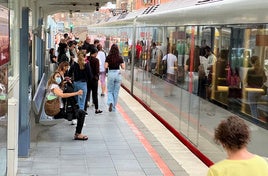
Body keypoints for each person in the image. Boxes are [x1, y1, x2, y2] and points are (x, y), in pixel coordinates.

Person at [46, 71, 88, 140]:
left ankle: (78, 133)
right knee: (81, 113)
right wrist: (76, 93)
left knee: (79, 112)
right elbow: (62, 95)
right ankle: (78, 134)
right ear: (53, 77)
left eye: (60, 77)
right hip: (56, 112)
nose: (59, 78)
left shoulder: (55, 86)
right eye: (57, 76)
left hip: (59, 110)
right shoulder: (53, 86)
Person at [105, 44, 125, 112]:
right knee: (116, 92)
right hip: (117, 74)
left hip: (111, 73)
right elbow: (123, 67)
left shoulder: (108, 57)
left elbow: (105, 66)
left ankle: (110, 101)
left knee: (110, 90)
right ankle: (113, 107)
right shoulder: (120, 57)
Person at [86, 45, 103, 114]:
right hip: (94, 80)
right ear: (95, 53)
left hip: (87, 79)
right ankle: (96, 109)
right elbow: (97, 71)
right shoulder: (96, 60)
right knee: (95, 94)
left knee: (87, 93)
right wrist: (97, 77)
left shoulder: (86, 59)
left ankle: (85, 108)